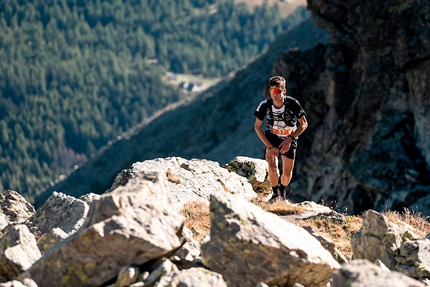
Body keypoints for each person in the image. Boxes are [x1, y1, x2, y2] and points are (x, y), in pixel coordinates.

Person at [254, 75, 308, 201]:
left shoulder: (293, 104)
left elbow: (304, 124)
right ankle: (275, 194)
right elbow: (257, 127)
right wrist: (269, 146)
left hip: (290, 137)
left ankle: (282, 190)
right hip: (272, 137)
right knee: (272, 168)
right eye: (272, 91)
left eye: (278, 91)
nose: (275, 94)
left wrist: (290, 139)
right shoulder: (264, 105)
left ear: (284, 91)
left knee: (287, 173)